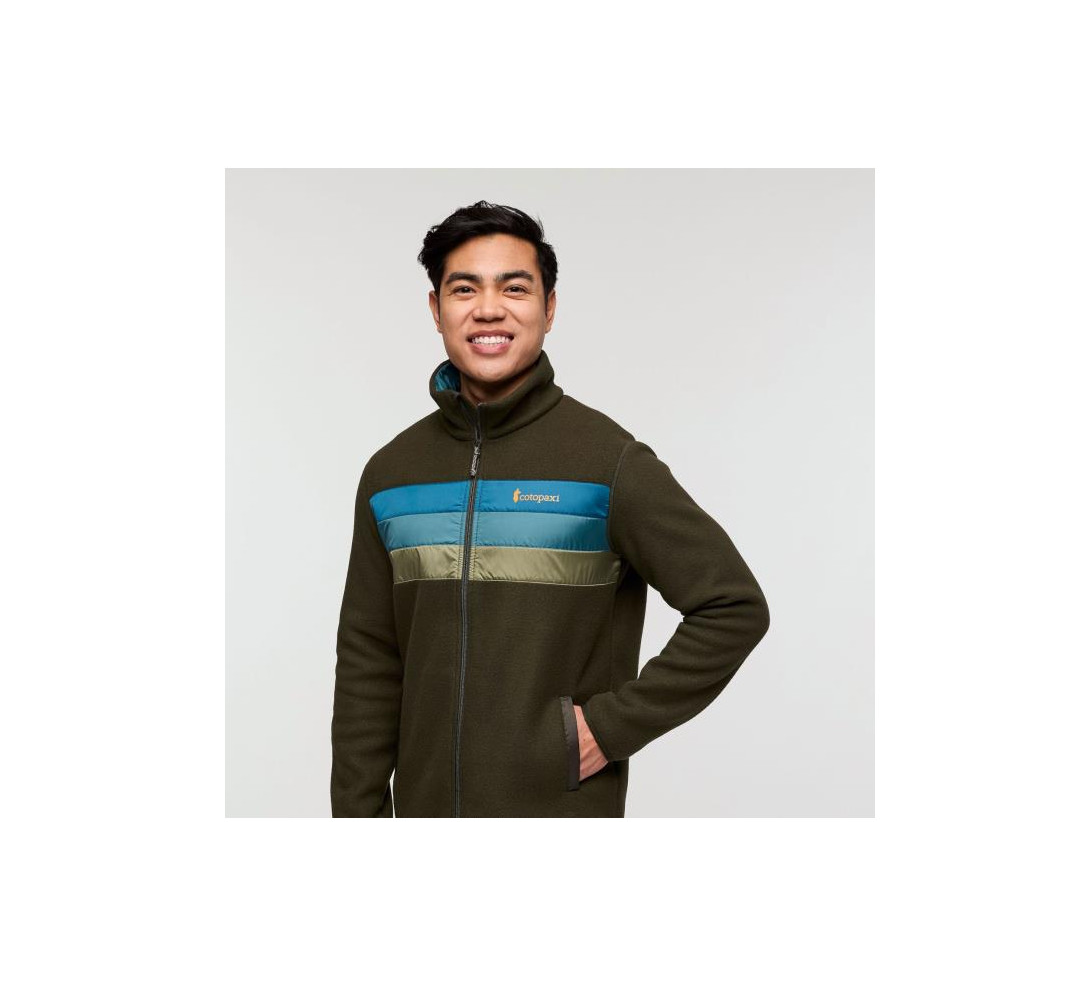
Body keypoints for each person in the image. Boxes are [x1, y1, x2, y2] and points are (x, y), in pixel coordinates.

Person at [330, 200, 770, 817]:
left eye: (514, 288)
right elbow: (368, 662)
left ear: (550, 307)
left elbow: (733, 606)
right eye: (464, 288)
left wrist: (608, 729)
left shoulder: (607, 462)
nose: (489, 309)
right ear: (436, 309)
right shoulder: (391, 475)